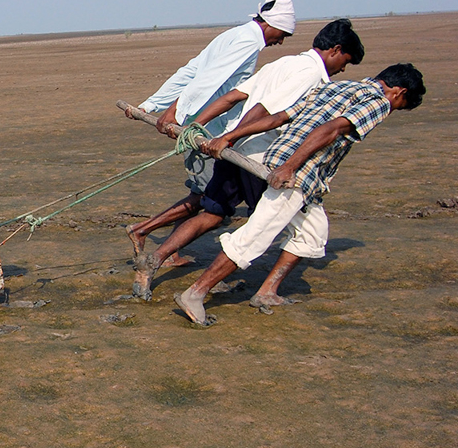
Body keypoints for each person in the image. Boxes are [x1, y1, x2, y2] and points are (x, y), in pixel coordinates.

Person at [173, 63, 425, 326]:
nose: (394, 109)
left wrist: (229, 137)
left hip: (291, 167)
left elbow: (279, 117)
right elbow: (332, 129)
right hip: (296, 173)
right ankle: (195, 293)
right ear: (399, 92)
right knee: (255, 236)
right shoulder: (379, 102)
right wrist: (290, 167)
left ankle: (267, 292)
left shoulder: (336, 86)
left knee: (312, 233)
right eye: (400, 105)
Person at [133, 19, 365, 301]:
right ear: (336, 50)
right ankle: (233, 288)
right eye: (346, 62)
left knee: (213, 213)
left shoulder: (281, 63)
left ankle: (154, 259)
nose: (342, 69)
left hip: (234, 150)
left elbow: (232, 97)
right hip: (260, 155)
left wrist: (198, 125)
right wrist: (227, 138)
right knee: (267, 224)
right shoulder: (309, 74)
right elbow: (265, 109)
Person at [125, 0, 296, 264]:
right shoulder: (248, 41)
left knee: (204, 192)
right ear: (270, 24)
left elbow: (191, 70)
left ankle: (171, 250)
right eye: (282, 34)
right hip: (206, 128)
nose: (281, 41)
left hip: (202, 123)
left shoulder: (235, 34)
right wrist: (173, 112)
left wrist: (152, 104)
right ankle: (142, 230)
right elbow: (205, 78)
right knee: (207, 196)